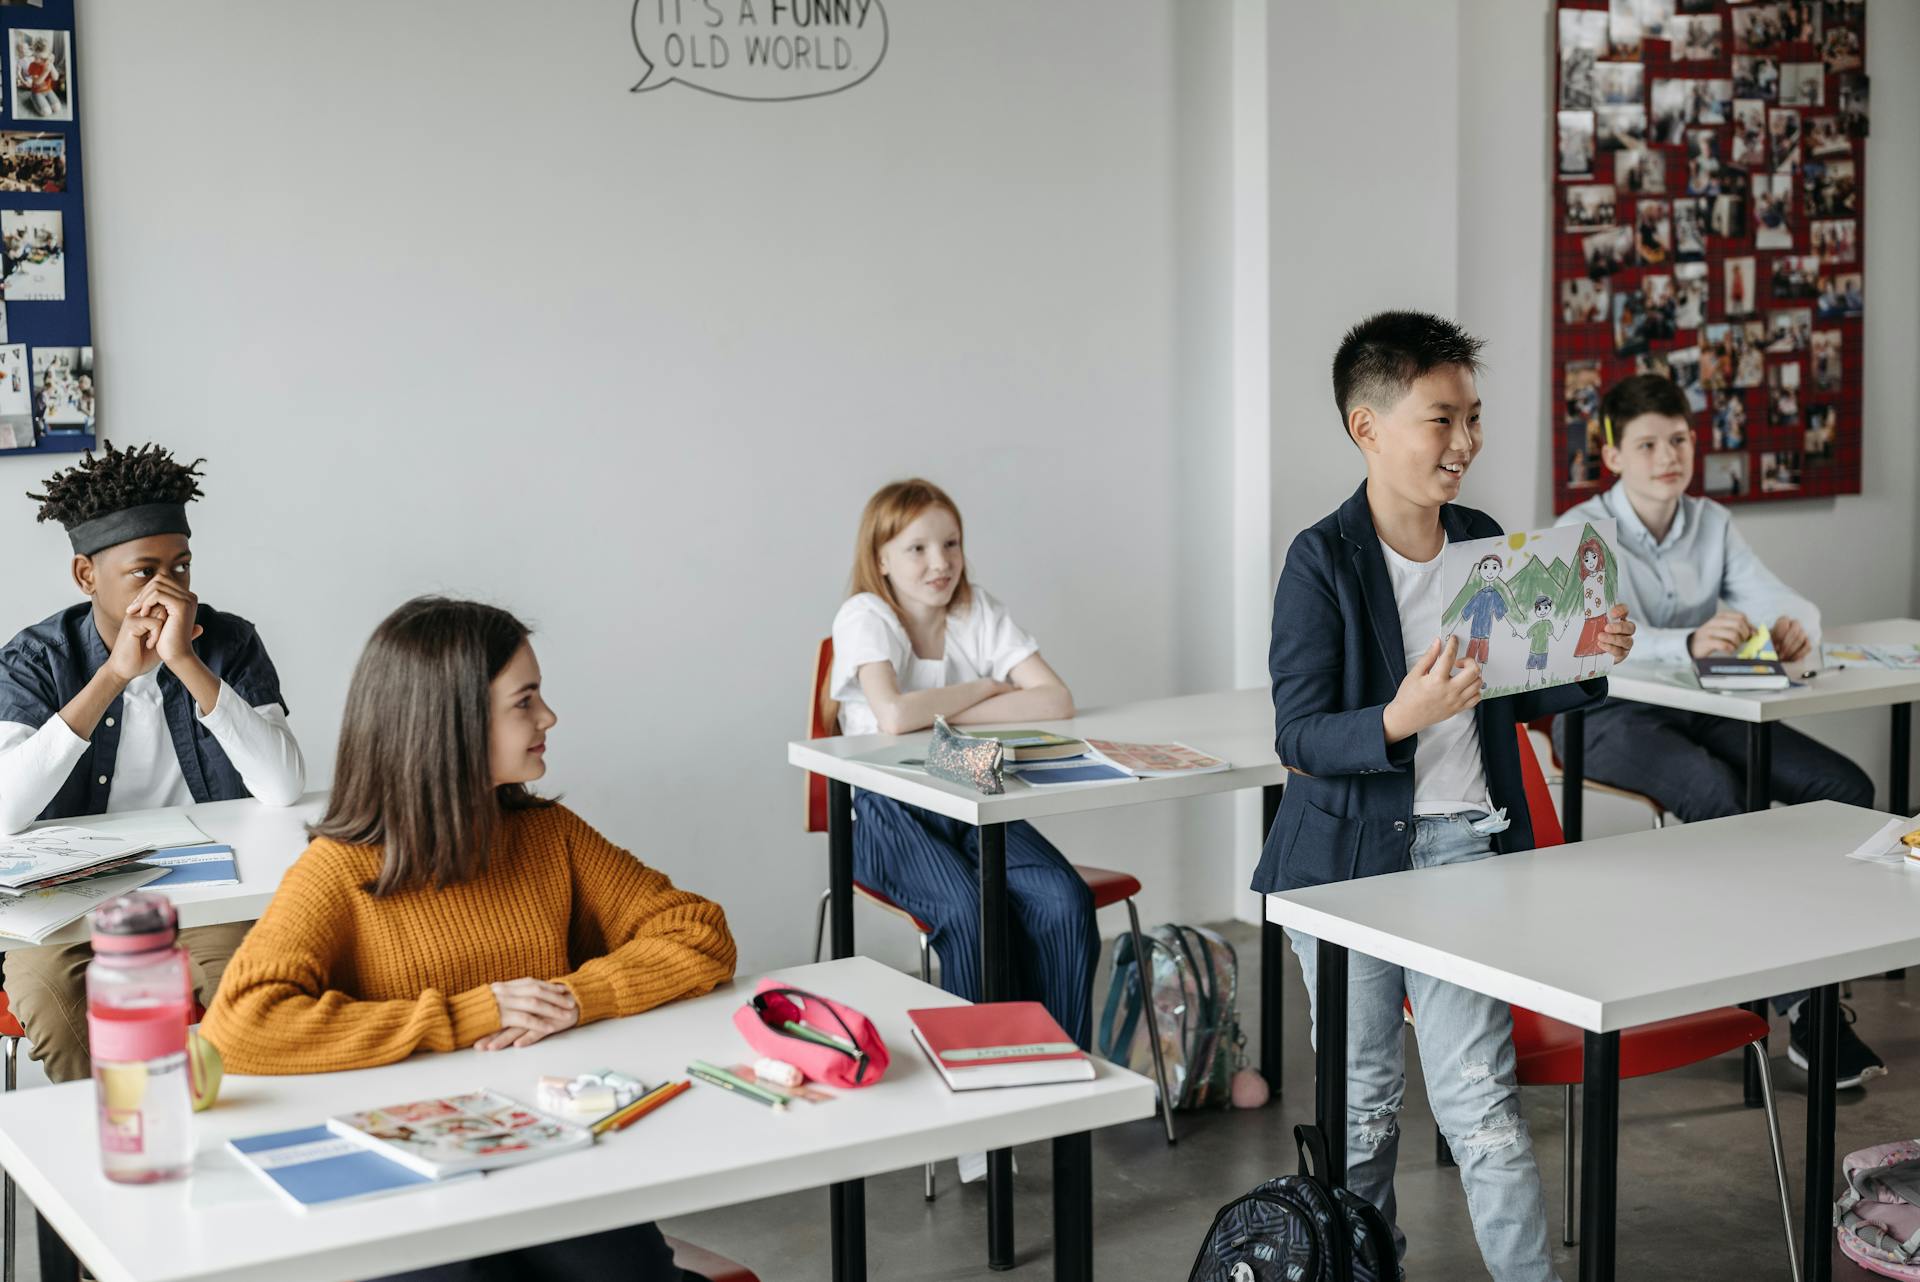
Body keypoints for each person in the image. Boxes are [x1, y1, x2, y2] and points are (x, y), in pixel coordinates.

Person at [1253, 311, 1635, 1282]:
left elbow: (1517, 685)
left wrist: (1590, 658)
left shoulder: (1481, 545)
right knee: (1365, 1102)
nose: (1464, 442)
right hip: (1340, 869)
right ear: (1367, 427)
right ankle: (1361, 1270)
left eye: (1473, 417)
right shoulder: (1321, 560)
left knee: (1482, 1102)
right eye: (1441, 419)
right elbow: (1297, 737)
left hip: (1465, 855)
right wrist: (1398, 715)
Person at [204, 597, 735, 1281]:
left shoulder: (549, 836)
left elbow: (699, 932)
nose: (549, 718)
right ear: (452, 724)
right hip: (405, 1178)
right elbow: (240, 1027)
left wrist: (574, 998)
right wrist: (467, 1014)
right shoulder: (341, 869)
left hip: (548, 1153)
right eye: (525, 702)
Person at [1555, 373, 1886, 1089]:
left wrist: (1799, 634)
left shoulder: (1710, 521)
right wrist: (1688, 645)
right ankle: (1809, 1009)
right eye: (1645, 444)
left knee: (1844, 786)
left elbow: (1775, 598)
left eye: (1678, 439)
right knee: (1721, 797)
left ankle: (1813, 955)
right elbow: (1593, 640)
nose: (1666, 456)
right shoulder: (1581, 532)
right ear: (1612, 457)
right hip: (1603, 715)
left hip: (1704, 699)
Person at [0, 442, 306, 1085]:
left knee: (253, 1005)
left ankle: (227, 1149)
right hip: (71, 899)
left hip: (213, 887)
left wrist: (187, 665)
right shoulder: (34, 659)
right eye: (144, 571)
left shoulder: (228, 641)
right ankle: (115, 1159)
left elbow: (282, 787)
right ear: (87, 576)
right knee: (60, 1016)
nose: (169, 588)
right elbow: (4, 809)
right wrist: (114, 675)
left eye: (182, 567)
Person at [829, 480, 1095, 1114]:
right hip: (886, 814)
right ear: (882, 556)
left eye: (950, 544)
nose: (940, 563)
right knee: (971, 913)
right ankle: (981, 1102)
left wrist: (947, 713)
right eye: (916, 548)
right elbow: (892, 716)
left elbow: (1056, 699)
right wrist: (982, 688)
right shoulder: (866, 615)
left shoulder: (977, 611)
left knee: (1064, 899)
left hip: (969, 786)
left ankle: (1059, 1079)